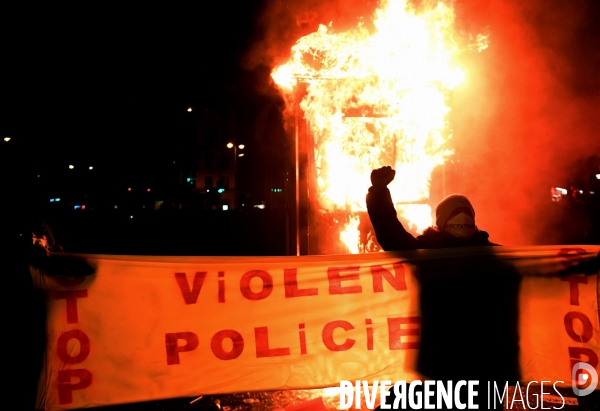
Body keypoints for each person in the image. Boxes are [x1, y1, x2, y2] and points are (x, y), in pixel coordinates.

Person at [366, 166, 498, 250]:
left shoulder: (495, 255)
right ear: (442, 222)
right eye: (456, 213)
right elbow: (393, 238)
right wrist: (379, 193)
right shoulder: (425, 252)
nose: (462, 217)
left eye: (466, 212)